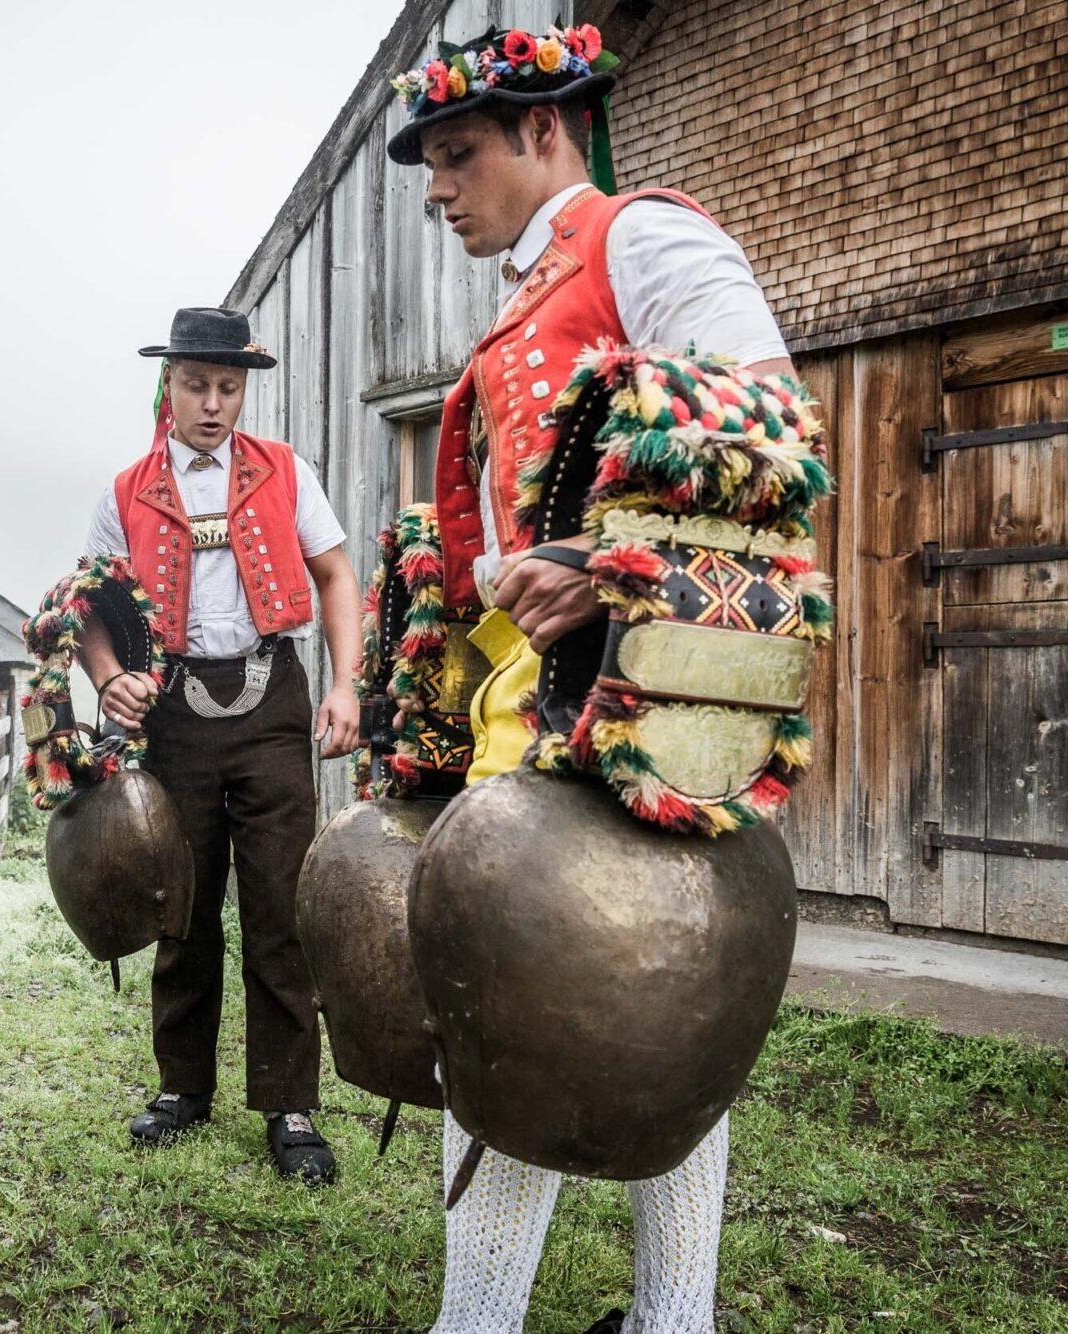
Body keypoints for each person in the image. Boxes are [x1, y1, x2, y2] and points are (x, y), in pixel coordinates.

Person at [385, 20, 795, 1332]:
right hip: (529, 692)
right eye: (429, 165)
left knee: (661, 1002)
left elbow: (764, 415)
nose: (438, 188)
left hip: (651, 693)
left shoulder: (644, 237)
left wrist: (612, 562)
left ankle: (671, 1321)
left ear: (543, 130)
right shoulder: (517, 293)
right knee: (519, 1002)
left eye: (456, 156)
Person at [78, 307, 361, 1184]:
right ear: (169, 385)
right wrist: (106, 677)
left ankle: (290, 1103)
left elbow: (336, 574)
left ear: (244, 388)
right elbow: (90, 605)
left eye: (228, 387)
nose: (212, 403)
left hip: (272, 695)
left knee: (281, 906)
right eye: (196, 384)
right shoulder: (126, 488)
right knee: (182, 904)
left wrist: (347, 683)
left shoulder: (285, 471)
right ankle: (182, 1089)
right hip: (171, 706)